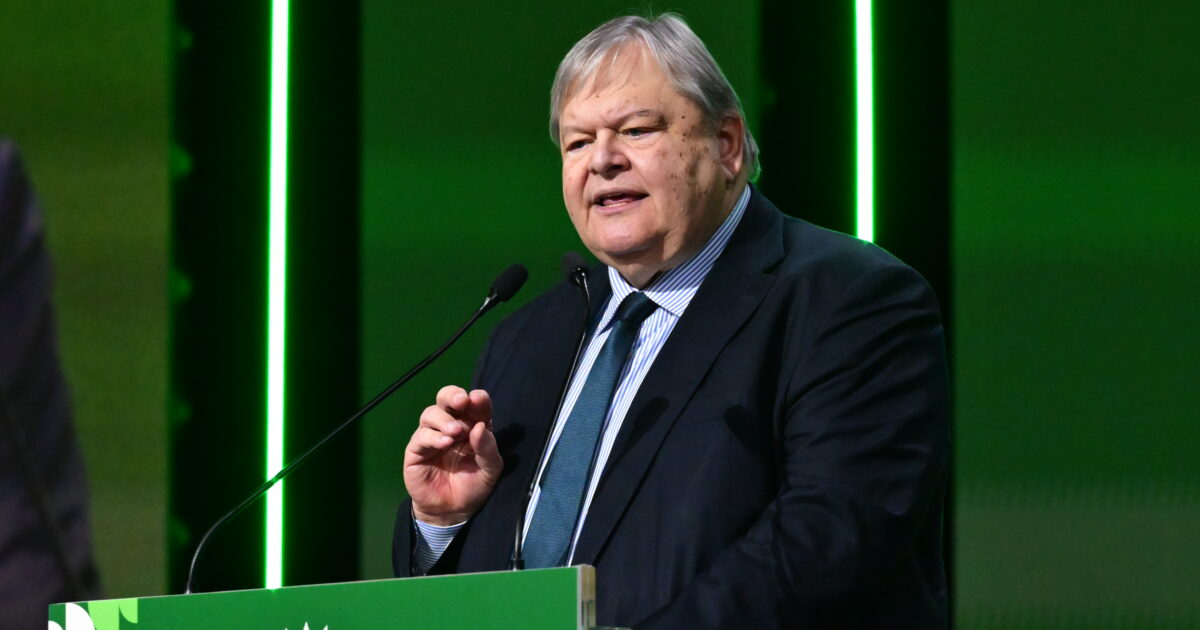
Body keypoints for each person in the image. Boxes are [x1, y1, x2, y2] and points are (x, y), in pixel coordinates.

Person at [393, 14, 949, 629]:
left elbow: (826, 546)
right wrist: (443, 523)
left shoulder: (850, 300)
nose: (602, 160)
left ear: (727, 145)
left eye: (636, 130)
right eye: (577, 143)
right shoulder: (525, 339)